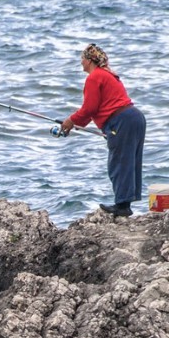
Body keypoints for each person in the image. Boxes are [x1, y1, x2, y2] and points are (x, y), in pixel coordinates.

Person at [60, 43, 146, 217]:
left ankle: (122, 206)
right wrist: (76, 123)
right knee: (129, 161)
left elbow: (89, 108)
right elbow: (96, 109)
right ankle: (125, 202)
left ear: (90, 60)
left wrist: (70, 120)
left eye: (82, 58)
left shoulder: (95, 77)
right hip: (134, 117)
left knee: (119, 163)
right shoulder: (108, 74)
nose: (81, 62)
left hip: (122, 121)